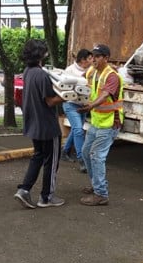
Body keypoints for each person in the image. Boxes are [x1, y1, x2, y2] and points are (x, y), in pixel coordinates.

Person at [13, 39, 65, 209]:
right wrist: (67, 96)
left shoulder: (28, 71)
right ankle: (47, 197)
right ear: (41, 54)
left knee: (38, 157)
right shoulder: (41, 74)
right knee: (52, 161)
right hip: (48, 126)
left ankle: (24, 190)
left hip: (34, 124)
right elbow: (50, 101)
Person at [79, 44, 123, 206]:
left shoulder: (112, 76)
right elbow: (80, 80)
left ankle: (101, 194)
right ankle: (95, 184)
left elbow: (104, 95)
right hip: (97, 121)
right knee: (85, 152)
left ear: (106, 58)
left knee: (97, 156)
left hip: (110, 123)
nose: (94, 59)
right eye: (93, 56)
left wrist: (90, 106)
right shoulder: (92, 71)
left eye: (98, 56)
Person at [61, 48, 93, 172]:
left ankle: (65, 151)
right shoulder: (69, 70)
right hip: (71, 104)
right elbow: (63, 87)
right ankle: (82, 160)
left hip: (84, 106)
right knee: (79, 130)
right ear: (83, 60)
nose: (92, 60)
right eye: (89, 58)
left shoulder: (90, 70)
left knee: (76, 130)